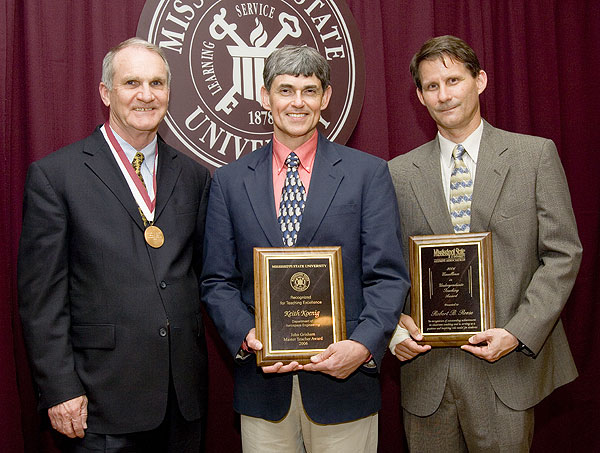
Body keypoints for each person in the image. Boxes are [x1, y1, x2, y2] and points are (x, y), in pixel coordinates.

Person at [201, 45, 409, 452]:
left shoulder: (368, 174)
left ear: (326, 98)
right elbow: (217, 280)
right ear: (265, 97)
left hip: (344, 386)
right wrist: (246, 335)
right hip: (264, 389)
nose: (298, 103)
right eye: (286, 90)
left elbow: (387, 275)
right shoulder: (228, 182)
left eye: (310, 91)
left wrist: (364, 345)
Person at [388, 35, 582, 451]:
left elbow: (563, 254)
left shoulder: (533, 157)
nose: (444, 95)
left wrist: (518, 332)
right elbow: (383, 266)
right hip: (427, 375)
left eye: (454, 80)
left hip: (507, 370)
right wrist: (393, 324)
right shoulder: (397, 173)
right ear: (420, 97)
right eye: (431, 86)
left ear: (480, 81)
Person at [18, 38, 211, 452]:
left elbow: (204, 275)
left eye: (157, 83)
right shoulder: (57, 177)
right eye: (132, 83)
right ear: (106, 93)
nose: (147, 95)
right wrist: (60, 388)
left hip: (183, 401)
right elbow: (41, 300)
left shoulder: (194, 177)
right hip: (99, 401)